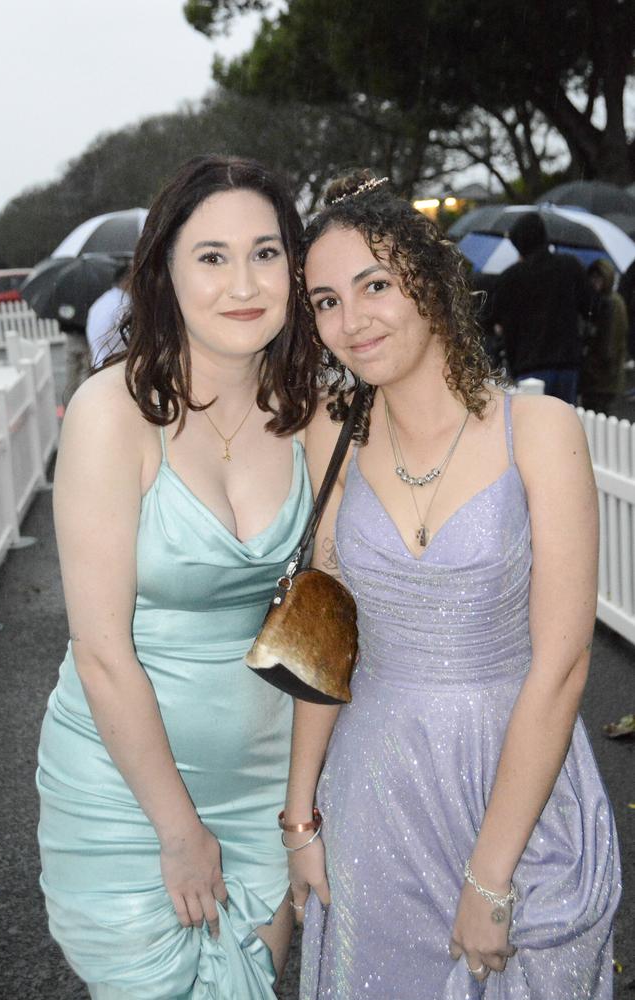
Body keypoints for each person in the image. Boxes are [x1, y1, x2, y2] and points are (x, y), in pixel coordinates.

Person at [282, 172, 621, 999]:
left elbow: (565, 664)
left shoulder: (537, 430)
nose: (351, 320)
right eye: (325, 300)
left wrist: (491, 877)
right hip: (373, 795)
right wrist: (299, 820)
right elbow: (324, 643)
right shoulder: (330, 432)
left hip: (514, 780)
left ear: (430, 284)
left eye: (374, 284)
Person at [36, 155, 318, 999]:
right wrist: (177, 828)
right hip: (125, 797)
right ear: (165, 271)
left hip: (266, 792)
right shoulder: (111, 414)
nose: (244, 282)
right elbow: (100, 652)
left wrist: (301, 810)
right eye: (212, 256)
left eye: (266, 253)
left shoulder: (313, 407)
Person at [491, 212, 591, 403]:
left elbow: (500, 321)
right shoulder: (570, 266)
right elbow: (590, 307)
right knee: (565, 420)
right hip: (567, 361)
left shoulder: (510, 278)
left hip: (528, 363)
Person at [580, 258, 628, 416]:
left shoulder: (611, 303)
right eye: (592, 278)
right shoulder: (600, 301)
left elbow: (609, 344)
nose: (595, 282)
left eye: (598, 278)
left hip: (603, 377)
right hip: (600, 376)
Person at [86, 260, 131, 366]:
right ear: (126, 281)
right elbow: (131, 335)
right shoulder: (123, 301)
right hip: (115, 363)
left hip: (98, 361)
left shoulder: (102, 300)